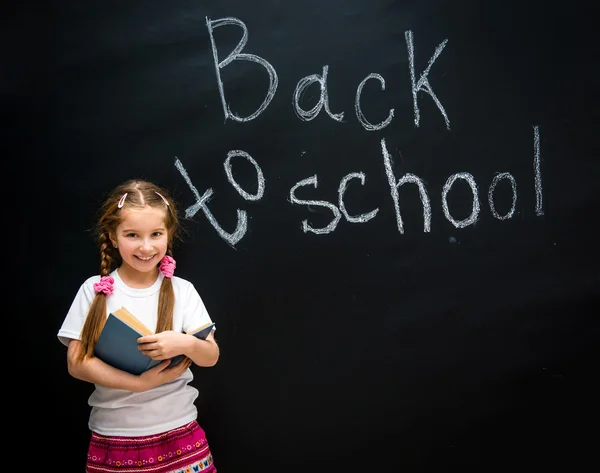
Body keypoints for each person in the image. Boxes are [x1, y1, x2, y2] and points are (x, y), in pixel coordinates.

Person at [57, 179, 219, 473]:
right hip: (115, 437)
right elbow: (77, 363)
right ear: (113, 237)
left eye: (156, 234)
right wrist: (139, 384)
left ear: (168, 235)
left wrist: (184, 343)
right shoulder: (94, 290)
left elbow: (210, 356)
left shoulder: (182, 290)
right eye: (133, 235)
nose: (146, 247)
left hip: (179, 433)